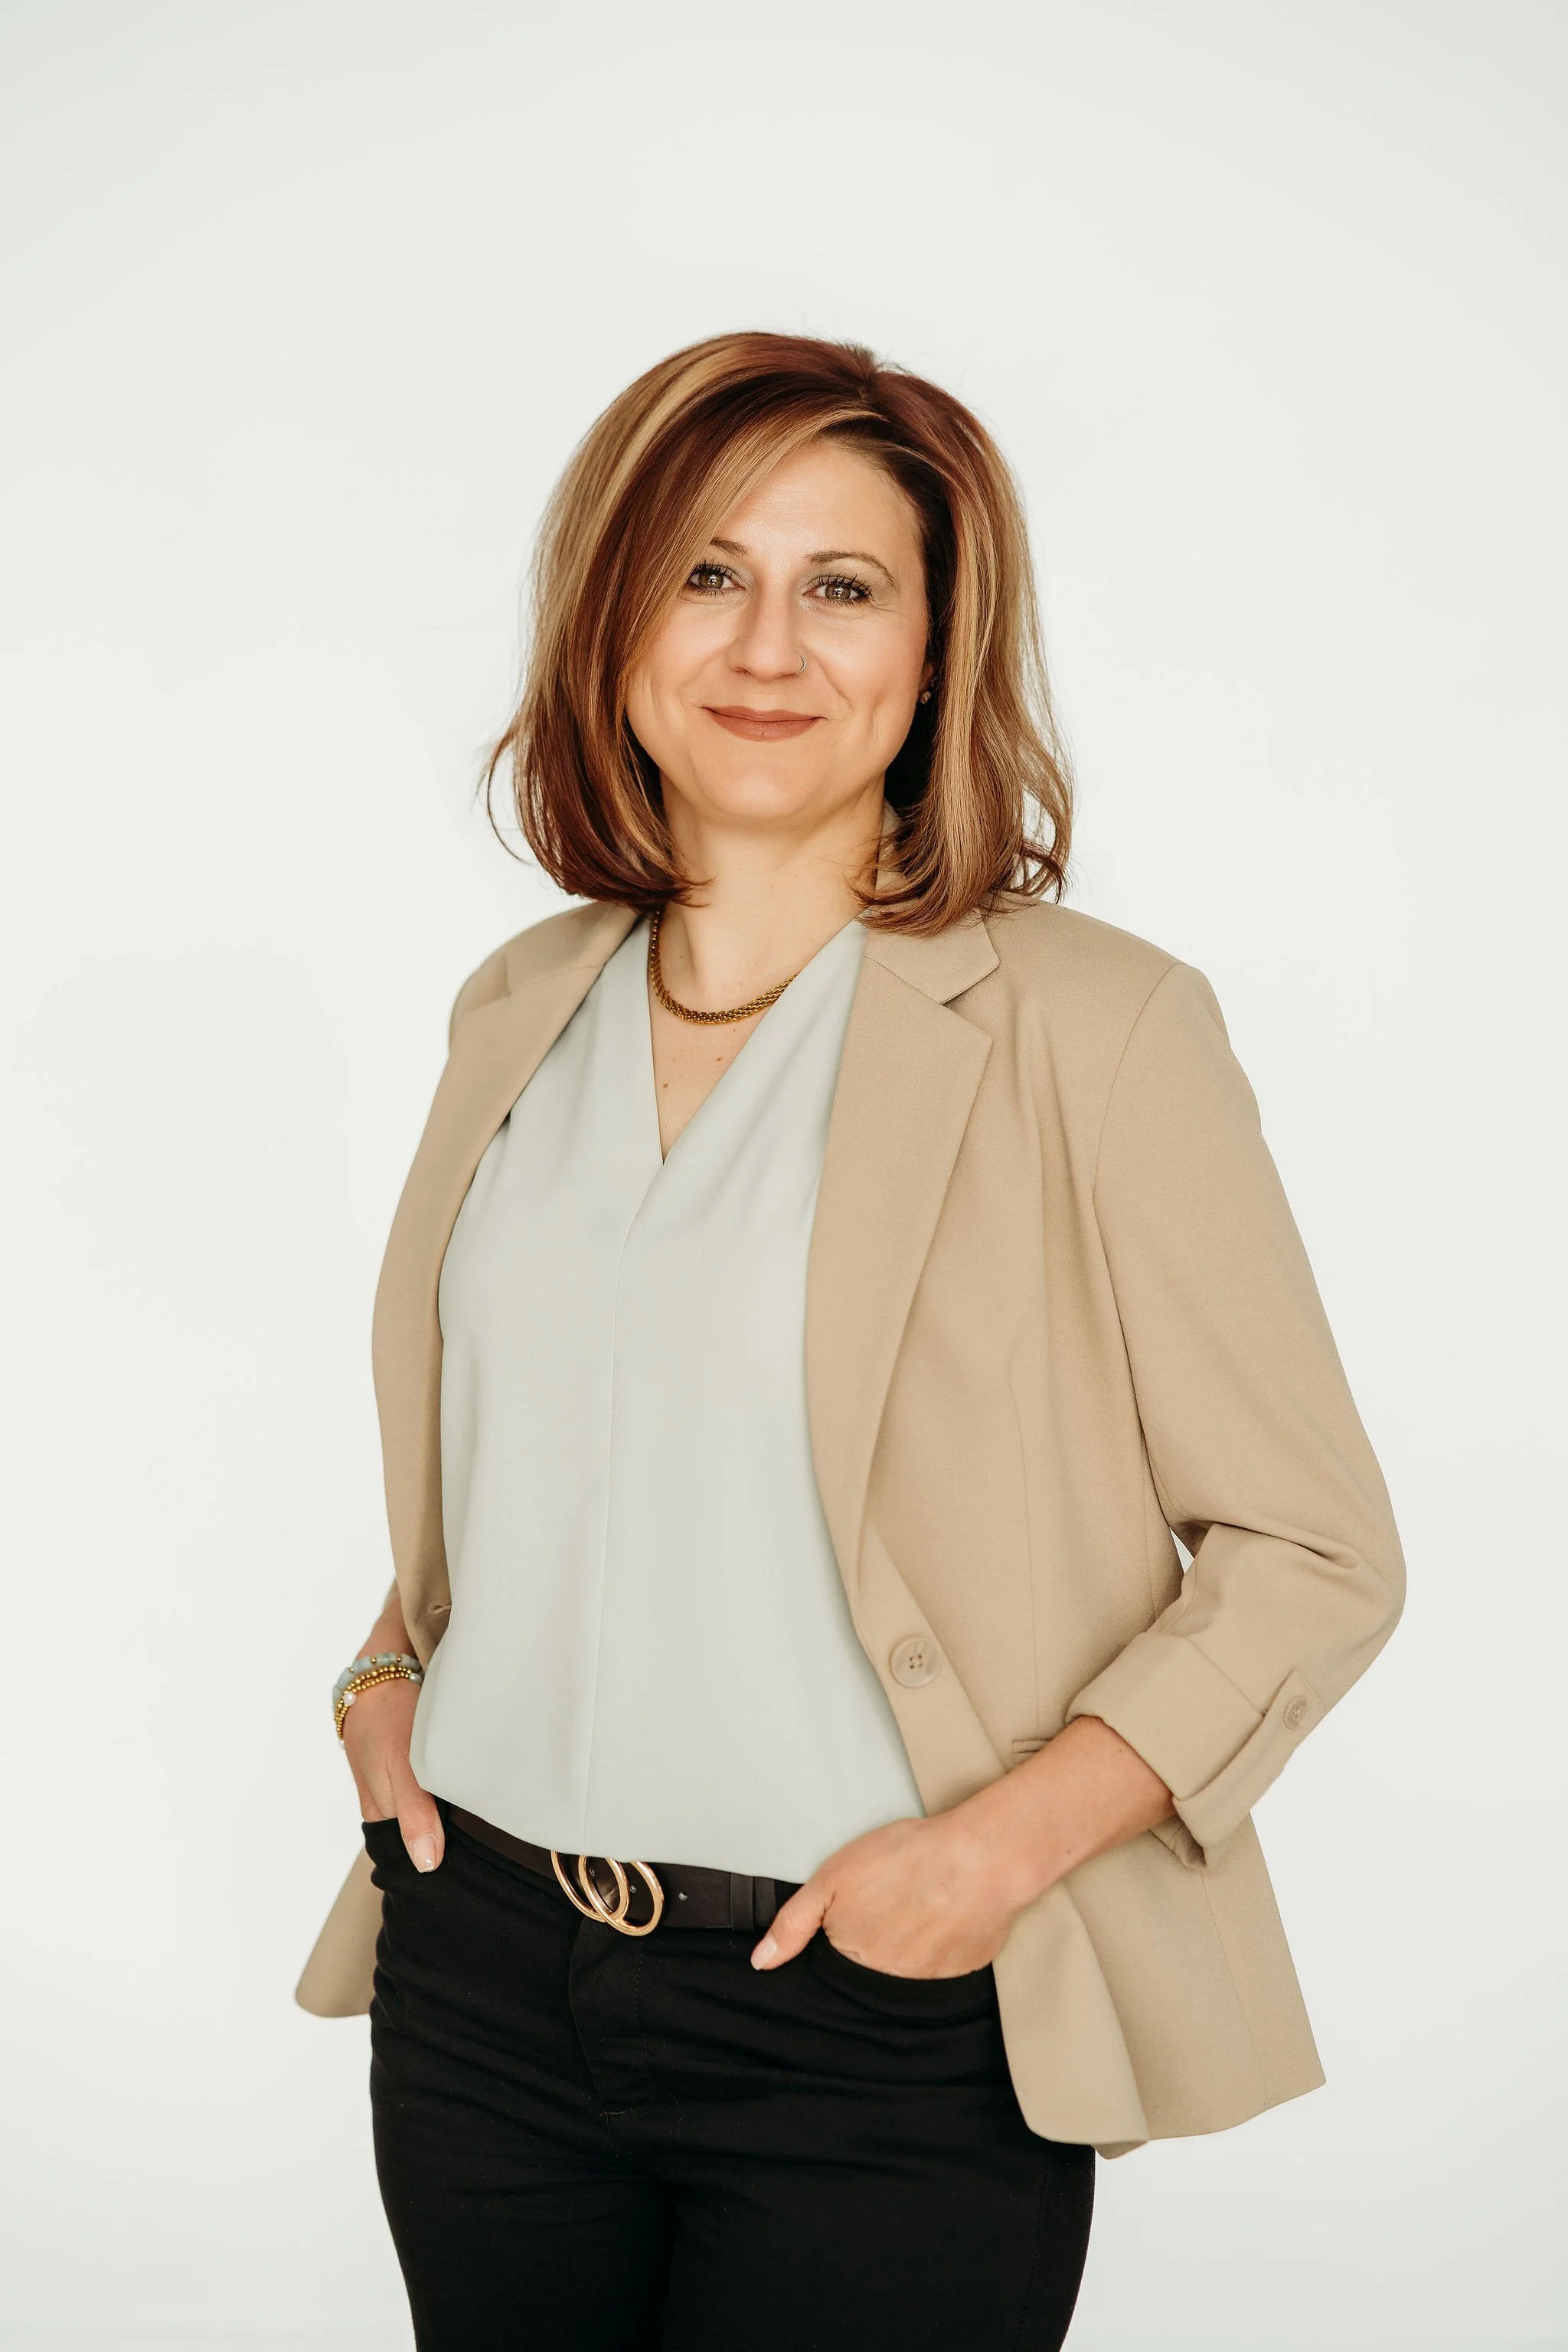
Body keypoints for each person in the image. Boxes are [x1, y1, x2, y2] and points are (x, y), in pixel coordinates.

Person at [296, 332, 1404, 2350]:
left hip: (876, 2014)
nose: (767, 647)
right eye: (708, 573)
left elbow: (1314, 1552)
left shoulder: (1098, 1030)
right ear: (614, 621)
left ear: (935, 649)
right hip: (484, 1992)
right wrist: (387, 1673)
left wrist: (987, 1862)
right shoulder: (517, 1006)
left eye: (844, 586)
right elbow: (556, 1449)